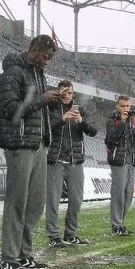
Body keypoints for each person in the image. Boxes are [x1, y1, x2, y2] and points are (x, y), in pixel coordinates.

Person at [0, 34, 61, 269]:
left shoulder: (37, 73)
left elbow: (34, 109)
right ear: (33, 49)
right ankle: (9, 257)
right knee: (17, 202)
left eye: (50, 58)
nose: (47, 61)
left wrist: (51, 102)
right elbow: (12, 109)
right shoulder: (13, 72)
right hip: (20, 143)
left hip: (38, 143)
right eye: (45, 56)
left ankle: (24, 254)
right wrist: (42, 100)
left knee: (35, 203)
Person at [45, 80, 97, 247]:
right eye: (64, 93)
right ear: (59, 94)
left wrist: (81, 121)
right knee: (53, 200)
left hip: (75, 161)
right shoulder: (51, 108)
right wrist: (62, 119)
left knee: (76, 199)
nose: (67, 96)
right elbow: (45, 129)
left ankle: (71, 234)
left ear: (73, 94)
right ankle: (54, 236)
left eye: (70, 93)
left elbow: (93, 131)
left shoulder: (80, 110)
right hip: (55, 160)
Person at [105, 95, 135, 236]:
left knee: (128, 194)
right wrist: (121, 122)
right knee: (118, 193)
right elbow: (110, 139)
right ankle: (116, 225)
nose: (125, 109)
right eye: (122, 106)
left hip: (131, 160)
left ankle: (120, 222)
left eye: (127, 106)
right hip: (118, 160)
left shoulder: (133, 121)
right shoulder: (112, 120)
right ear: (117, 106)